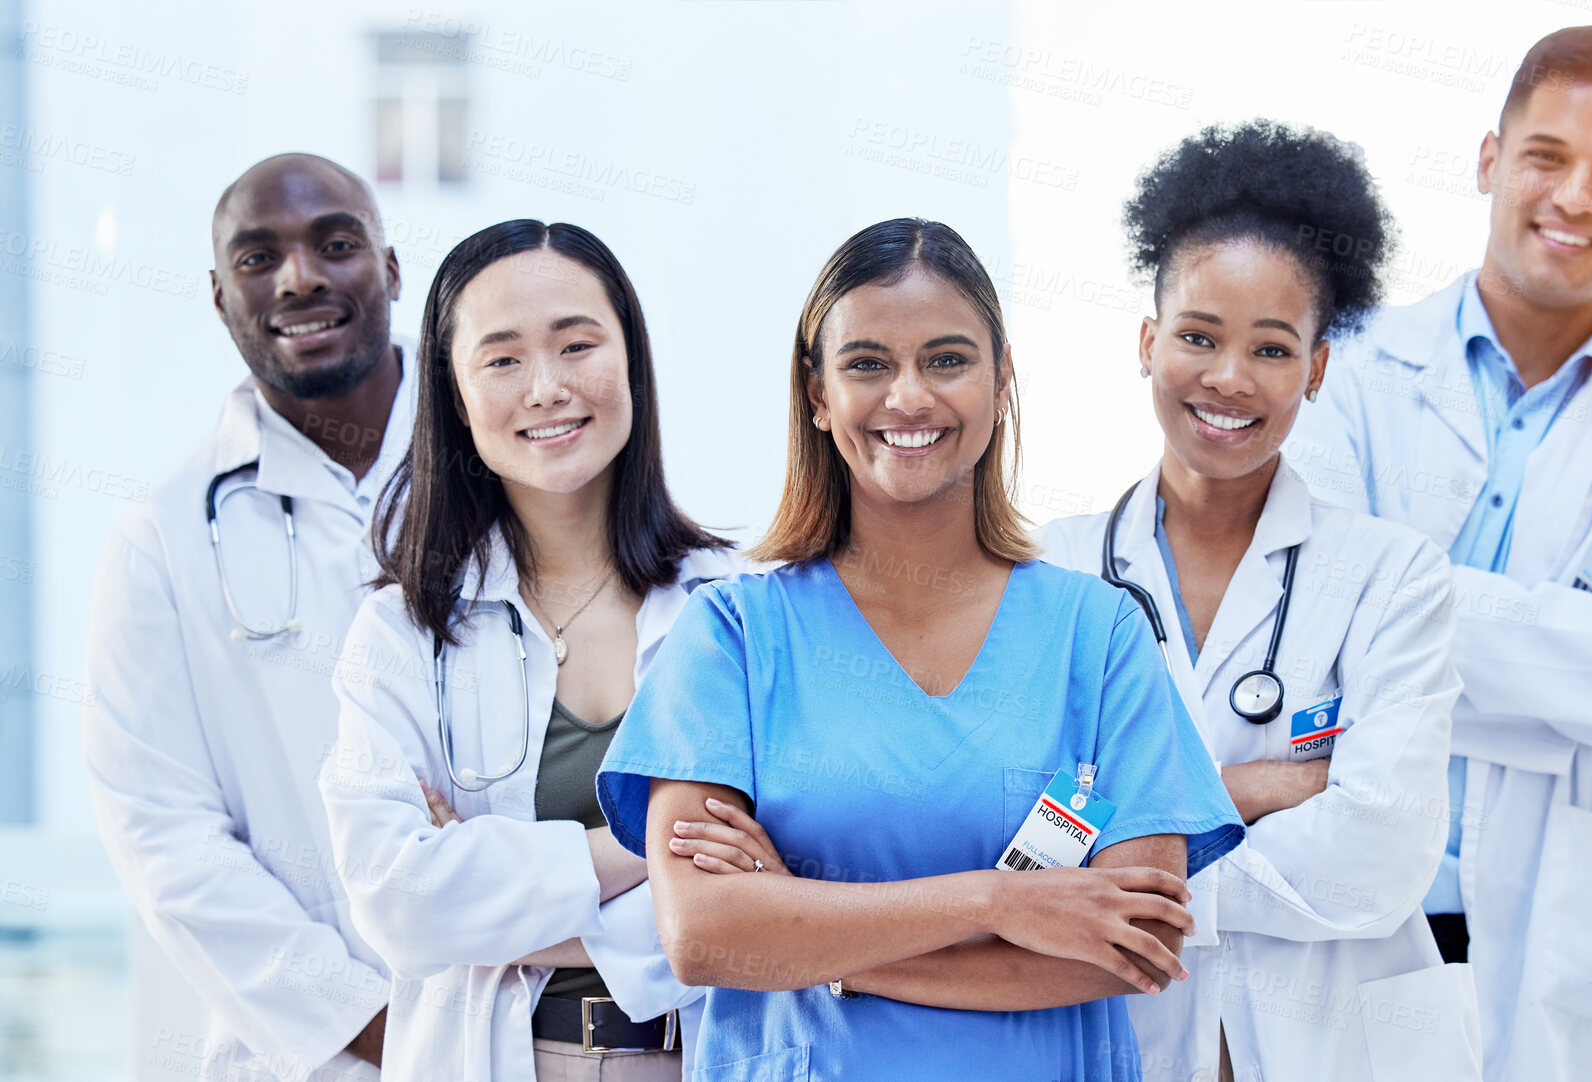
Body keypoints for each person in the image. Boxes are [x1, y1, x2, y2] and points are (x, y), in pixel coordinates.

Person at [592, 217, 1244, 1082]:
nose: (908, 397)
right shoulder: (733, 637)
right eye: (867, 363)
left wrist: (810, 936)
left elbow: (1134, 947)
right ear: (818, 394)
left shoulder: (1100, 636)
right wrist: (1001, 902)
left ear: (1002, 378)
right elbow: (704, 937)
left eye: (946, 360)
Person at [1290, 27, 1592, 1082]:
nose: (1575, 196)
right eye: (1547, 156)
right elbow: (1311, 610)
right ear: (1489, 160)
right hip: (1364, 916)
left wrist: (1404, 616)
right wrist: (1565, 667)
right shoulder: (1352, 369)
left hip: (1568, 931)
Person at [1038, 121, 1481, 1082]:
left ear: (1316, 369)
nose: (1230, 378)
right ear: (1148, 342)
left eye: (1272, 349)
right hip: (1125, 1045)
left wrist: (1127, 843)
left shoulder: (1391, 580)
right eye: (1197, 336)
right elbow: (1015, 842)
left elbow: (1380, 857)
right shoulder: (1050, 573)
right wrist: (1259, 788)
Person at [317, 220, 734, 1081]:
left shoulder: (735, 606)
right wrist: (654, 851)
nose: (546, 387)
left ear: (631, 361)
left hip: (701, 1057)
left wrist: (490, 891)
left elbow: (776, 887)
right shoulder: (402, 633)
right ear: (456, 393)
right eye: (502, 359)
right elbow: (396, 902)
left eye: (576, 344)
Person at [82, 154, 408, 1081]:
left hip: (526, 1033)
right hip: (312, 1058)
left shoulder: (509, 474)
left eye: (334, 245)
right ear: (221, 297)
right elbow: (162, 834)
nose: (299, 278)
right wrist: (377, 1022)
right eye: (257, 259)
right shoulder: (164, 536)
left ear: (389, 268)